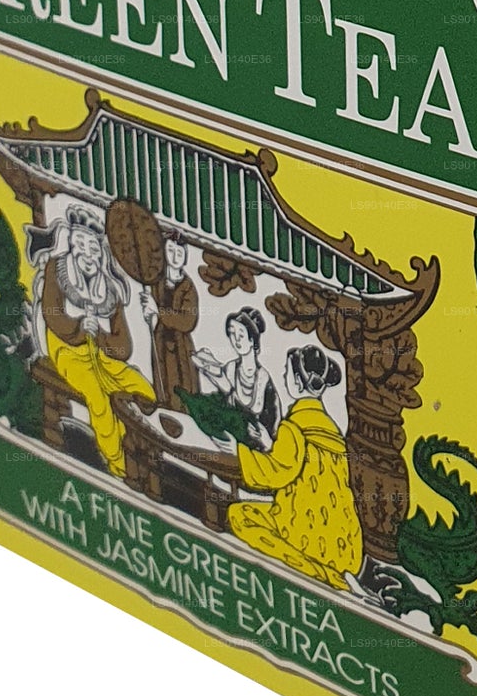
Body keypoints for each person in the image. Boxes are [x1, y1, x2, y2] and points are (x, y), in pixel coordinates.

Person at [223, 346, 364, 591]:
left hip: (302, 532)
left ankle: (325, 575)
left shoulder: (294, 426)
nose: (283, 375)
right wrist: (269, 443)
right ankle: (336, 572)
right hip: (347, 546)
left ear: (298, 382)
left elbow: (273, 474)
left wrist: (241, 450)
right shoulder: (331, 429)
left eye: (286, 371)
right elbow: (302, 462)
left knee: (238, 515)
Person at [38, 206, 154, 476]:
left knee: (141, 387)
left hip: (100, 356)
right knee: (97, 396)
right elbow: (51, 313)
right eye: (81, 245)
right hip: (66, 350)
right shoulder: (58, 269)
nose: (88, 254)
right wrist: (79, 328)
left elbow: (123, 347)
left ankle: (145, 454)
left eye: (93, 248)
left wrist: (99, 336)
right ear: (72, 245)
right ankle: (118, 464)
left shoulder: (109, 288)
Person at [194, 309, 278, 446]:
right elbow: (224, 402)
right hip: (230, 437)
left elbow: (266, 420)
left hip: (258, 445)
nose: (236, 340)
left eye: (241, 335)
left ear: (252, 340)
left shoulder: (263, 378)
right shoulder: (231, 367)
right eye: (232, 333)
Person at [138, 237, 200, 419]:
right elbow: (151, 308)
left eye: (179, 253)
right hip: (161, 339)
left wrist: (158, 311)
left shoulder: (188, 287)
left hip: (181, 345)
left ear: (185, 256)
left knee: (182, 384)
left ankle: (183, 417)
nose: (174, 256)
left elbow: (187, 321)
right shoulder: (158, 281)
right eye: (171, 250)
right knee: (161, 377)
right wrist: (149, 312)